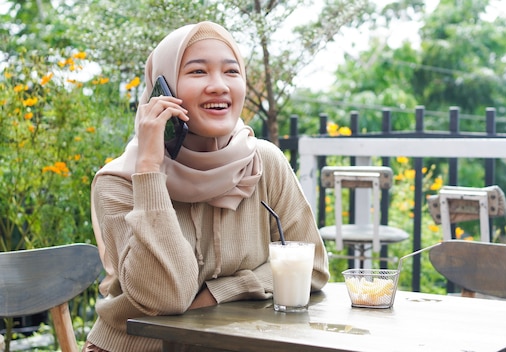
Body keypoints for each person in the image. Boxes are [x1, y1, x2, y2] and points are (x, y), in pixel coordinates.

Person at [85, 21, 330, 352]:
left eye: (231, 72)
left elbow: (311, 268)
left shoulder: (264, 162)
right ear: (164, 90)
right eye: (198, 72)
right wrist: (149, 172)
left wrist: (223, 291)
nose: (219, 86)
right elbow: (166, 297)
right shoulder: (119, 181)